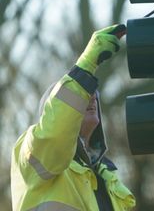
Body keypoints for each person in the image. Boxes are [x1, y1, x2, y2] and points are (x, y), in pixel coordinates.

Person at [11, 24, 136, 211]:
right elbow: (54, 134)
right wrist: (86, 66)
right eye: (83, 94)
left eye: (93, 93)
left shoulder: (108, 179)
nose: (92, 95)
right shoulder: (32, 155)